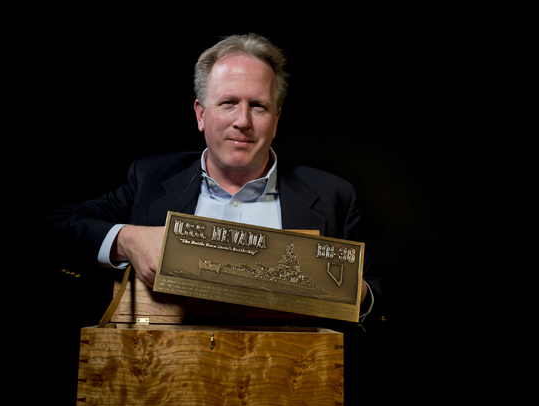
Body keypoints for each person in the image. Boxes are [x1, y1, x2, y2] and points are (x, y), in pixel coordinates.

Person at [43, 33, 382, 323]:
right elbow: (52, 227)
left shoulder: (334, 195)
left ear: (276, 120)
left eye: (259, 106)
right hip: (161, 386)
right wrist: (127, 240)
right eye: (228, 103)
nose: (243, 121)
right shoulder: (150, 178)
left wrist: (355, 295)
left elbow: (376, 298)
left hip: (288, 387)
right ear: (201, 115)